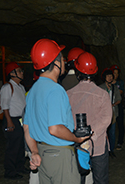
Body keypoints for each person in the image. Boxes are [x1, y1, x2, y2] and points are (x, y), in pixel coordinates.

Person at [23, 38, 89, 183]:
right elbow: (55, 128)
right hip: (60, 155)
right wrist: (76, 139)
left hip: (42, 154)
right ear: (56, 63)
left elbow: (27, 127)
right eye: (62, 58)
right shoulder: (55, 90)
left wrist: (34, 152)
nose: (64, 61)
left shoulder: (32, 91)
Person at [67, 52, 112, 184]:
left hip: (77, 144)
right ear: (95, 72)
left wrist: (79, 135)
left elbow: (66, 120)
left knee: (78, 178)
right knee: (100, 179)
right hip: (97, 145)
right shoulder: (103, 94)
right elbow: (107, 119)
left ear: (77, 71)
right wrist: (92, 133)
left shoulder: (68, 94)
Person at [0, 61, 27, 180]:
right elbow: (4, 106)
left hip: (21, 120)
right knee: (13, 147)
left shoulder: (20, 87)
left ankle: (20, 167)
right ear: (12, 74)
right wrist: (9, 121)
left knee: (21, 145)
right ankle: (10, 171)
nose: (22, 73)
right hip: (12, 119)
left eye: (21, 70)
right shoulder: (7, 87)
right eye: (19, 71)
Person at [99, 68, 121, 158]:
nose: (110, 78)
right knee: (103, 133)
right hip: (102, 113)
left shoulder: (114, 88)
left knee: (112, 132)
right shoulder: (100, 88)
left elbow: (119, 99)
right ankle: (103, 150)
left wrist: (113, 104)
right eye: (108, 76)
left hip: (112, 112)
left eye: (111, 76)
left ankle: (111, 150)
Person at [110, 65, 125, 151]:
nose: (115, 75)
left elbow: (121, 91)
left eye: (117, 73)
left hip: (118, 104)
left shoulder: (120, 83)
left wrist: (114, 86)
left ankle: (120, 142)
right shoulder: (107, 83)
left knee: (120, 123)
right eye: (114, 73)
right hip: (110, 105)